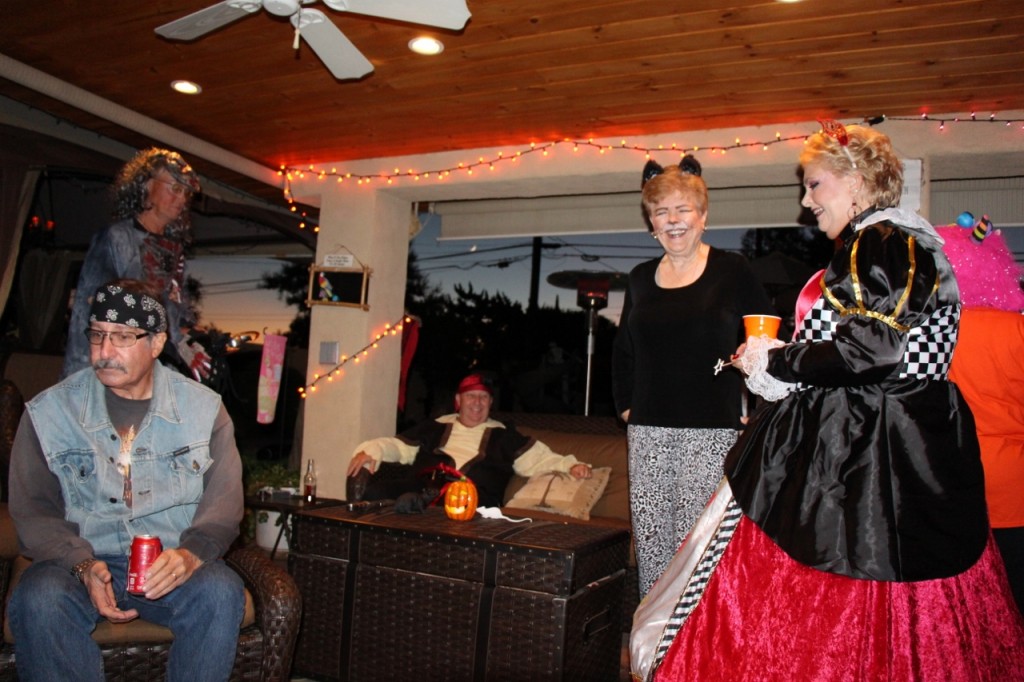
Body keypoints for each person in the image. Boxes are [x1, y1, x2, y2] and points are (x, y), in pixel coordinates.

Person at [630, 122, 1024, 681]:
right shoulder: (903, 241)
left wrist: (779, 361)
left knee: (834, 595)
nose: (806, 200)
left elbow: (871, 351)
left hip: (869, 448)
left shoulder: (883, 241)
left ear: (856, 181)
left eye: (815, 184)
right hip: (896, 438)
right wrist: (784, 362)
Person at [8, 279, 245, 682]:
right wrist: (81, 564)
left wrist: (190, 555)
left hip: (170, 562)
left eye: (122, 336)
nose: (104, 351)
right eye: (97, 335)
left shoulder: (203, 410)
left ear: (156, 343)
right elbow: (33, 511)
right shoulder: (50, 413)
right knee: (39, 596)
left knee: (220, 590)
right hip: (78, 563)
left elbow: (224, 504)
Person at [611, 155, 774, 596]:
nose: (673, 220)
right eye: (661, 211)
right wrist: (625, 407)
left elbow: (767, 339)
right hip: (647, 431)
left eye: (683, 209)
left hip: (712, 430)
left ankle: (696, 638)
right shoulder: (640, 278)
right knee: (652, 548)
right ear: (651, 222)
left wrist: (760, 408)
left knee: (698, 550)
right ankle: (654, 637)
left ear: (703, 216)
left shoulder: (732, 270)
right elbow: (623, 350)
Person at [62, 147, 210, 382]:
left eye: (186, 193)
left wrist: (185, 340)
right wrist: (83, 380)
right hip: (110, 368)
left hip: (153, 370)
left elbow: (169, 314)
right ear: (147, 185)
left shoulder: (173, 250)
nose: (182, 199)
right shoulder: (117, 239)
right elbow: (91, 308)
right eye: (175, 188)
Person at [346, 373, 592, 509]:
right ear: (458, 400)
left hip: (475, 498)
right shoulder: (436, 425)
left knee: (454, 503)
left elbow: (540, 459)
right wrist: (372, 450)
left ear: (490, 403)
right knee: (376, 492)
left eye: (483, 397)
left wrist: (570, 466)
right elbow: (400, 447)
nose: (477, 403)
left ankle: (417, 505)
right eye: (471, 396)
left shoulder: (505, 435)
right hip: (422, 485)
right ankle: (416, 505)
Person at [941, 214, 1024, 615]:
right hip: (1015, 487)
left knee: (973, 612)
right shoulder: (1017, 331)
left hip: (957, 483)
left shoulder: (939, 336)